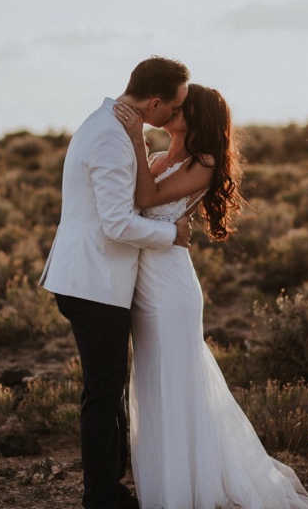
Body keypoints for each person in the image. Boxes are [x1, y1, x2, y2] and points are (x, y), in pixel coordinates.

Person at [114, 84, 308, 509]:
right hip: (144, 283)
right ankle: (170, 481)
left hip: (171, 286)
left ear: (199, 117)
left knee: (177, 382)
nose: (174, 110)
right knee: (156, 384)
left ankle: (189, 489)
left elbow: (145, 198)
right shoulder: (159, 158)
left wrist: (136, 138)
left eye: (182, 107)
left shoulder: (205, 163)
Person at [39, 56, 193, 509]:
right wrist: (172, 233)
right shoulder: (109, 135)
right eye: (175, 106)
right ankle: (102, 498)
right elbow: (116, 224)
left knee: (107, 388)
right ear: (155, 101)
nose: (175, 115)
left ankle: (112, 488)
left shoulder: (112, 126)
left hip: (95, 278)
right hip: (93, 280)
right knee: (104, 393)